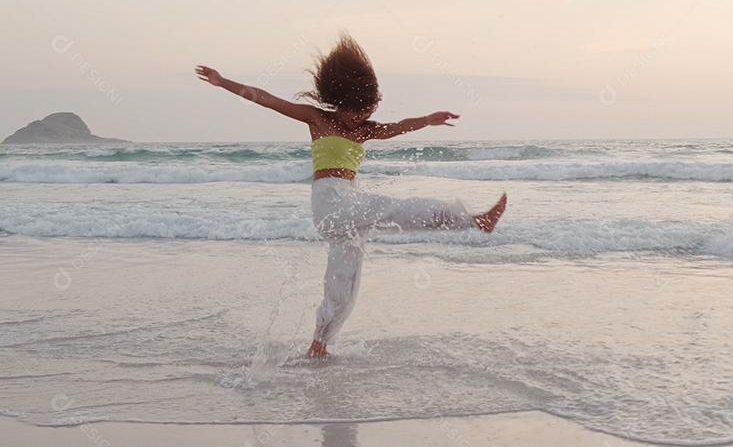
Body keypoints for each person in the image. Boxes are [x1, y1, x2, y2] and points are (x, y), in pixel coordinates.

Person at [195, 34, 507, 358]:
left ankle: (319, 344)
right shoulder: (317, 118)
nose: (361, 117)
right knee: (393, 208)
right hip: (330, 203)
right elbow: (265, 98)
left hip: (350, 208)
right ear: (341, 102)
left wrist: (427, 120)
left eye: (368, 110)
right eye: (357, 110)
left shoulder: (364, 130)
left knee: (345, 284)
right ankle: (474, 220)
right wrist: (221, 82)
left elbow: (398, 126)